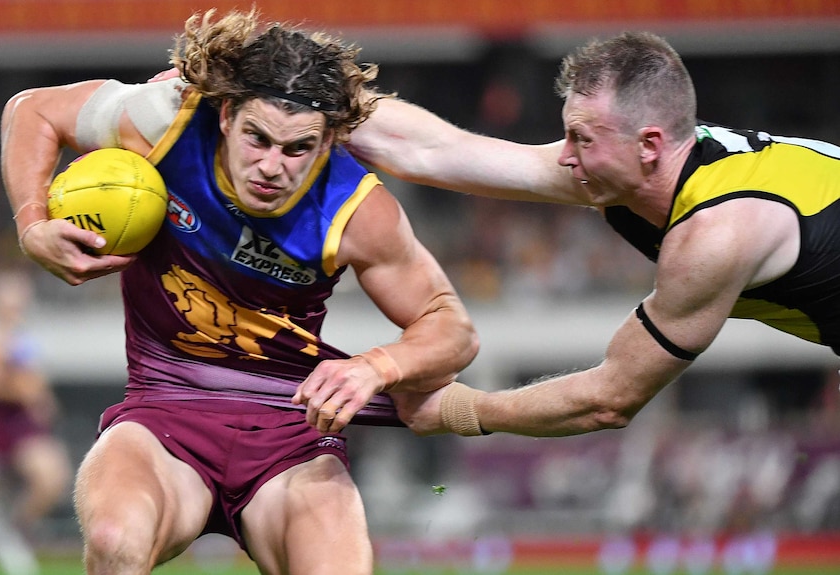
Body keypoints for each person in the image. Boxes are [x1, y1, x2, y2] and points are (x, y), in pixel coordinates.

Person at [1, 8, 477, 575]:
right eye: (258, 138)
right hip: (165, 412)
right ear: (226, 115)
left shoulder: (357, 211)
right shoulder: (166, 125)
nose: (271, 166)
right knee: (113, 539)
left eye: (296, 148)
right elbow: (30, 110)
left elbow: (452, 328)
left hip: (292, 433)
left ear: (328, 142)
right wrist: (32, 225)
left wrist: (379, 365)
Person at [342, 31, 840, 437]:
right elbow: (437, 152)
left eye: (582, 138)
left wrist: (461, 410)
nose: (563, 154)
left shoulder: (717, 230)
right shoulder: (631, 167)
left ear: (649, 145)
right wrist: (323, 100)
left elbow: (611, 400)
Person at [0, 270, 72, 575]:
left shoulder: (24, 338)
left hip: (25, 424)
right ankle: (6, 534)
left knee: (51, 478)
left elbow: (34, 380)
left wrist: (41, 399)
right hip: (2, 421)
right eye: (12, 300)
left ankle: (12, 531)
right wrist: (23, 393)